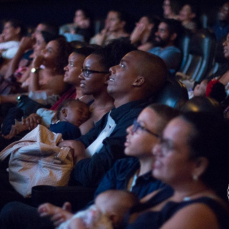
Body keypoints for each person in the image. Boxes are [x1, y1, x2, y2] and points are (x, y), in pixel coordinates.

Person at [0, 103, 177, 229]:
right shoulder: (123, 167)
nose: (130, 130)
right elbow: (95, 204)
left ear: (162, 142)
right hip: (84, 221)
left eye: (140, 127)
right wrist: (73, 217)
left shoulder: (162, 188)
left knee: (11, 210)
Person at [125, 112, 229, 228]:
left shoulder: (199, 213)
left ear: (198, 165)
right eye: (161, 141)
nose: (156, 150)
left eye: (168, 146)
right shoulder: (169, 192)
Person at [38, 190, 138, 229]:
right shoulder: (98, 218)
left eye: (97, 208)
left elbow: (78, 225)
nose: (92, 209)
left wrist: (57, 211)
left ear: (112, 218)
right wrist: (66, 216)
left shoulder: (104, 226)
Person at [2, 99, 90, 140]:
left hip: (23, 136)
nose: (83, 117)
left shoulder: (65, 127)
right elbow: (38, 112)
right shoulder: (50, 115)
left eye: (86, 116)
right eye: (80, 112)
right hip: (25, 124)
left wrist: (24, 127)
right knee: (15, 110)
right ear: (64, 112)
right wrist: (33, 116)